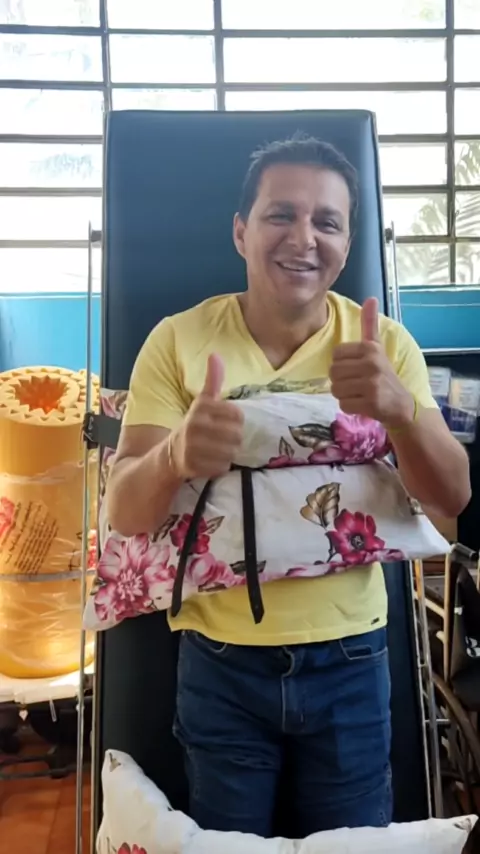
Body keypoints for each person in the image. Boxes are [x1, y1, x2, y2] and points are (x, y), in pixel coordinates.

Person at [106, 135, 471, 838]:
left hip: (353, 661)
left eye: (326, 222)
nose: (304, 238)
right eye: (281, 214)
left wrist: (399, 411)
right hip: (220, 664)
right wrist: (175, 454)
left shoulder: (385, 346)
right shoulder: (178, 341)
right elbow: (125, 512)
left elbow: (452, 499)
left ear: (347, 243)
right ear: (241, 231)